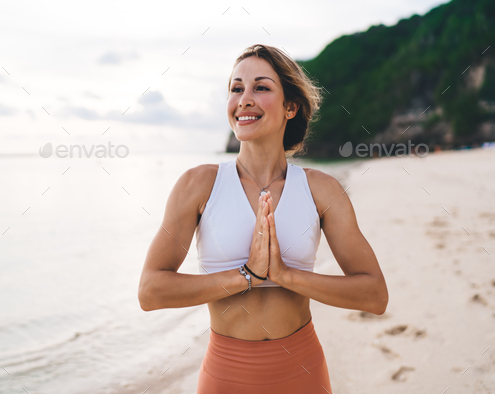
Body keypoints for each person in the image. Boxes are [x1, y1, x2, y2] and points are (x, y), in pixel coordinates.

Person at [138, 44, 388, 394]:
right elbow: (151, 292)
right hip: (226, 374)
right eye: (236, 88)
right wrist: (246, 276)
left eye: (261, 87)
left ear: (290, 107)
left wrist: (287, 275)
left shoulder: (322, 190)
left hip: (302, 371)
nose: (244, 99)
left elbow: (374, 295)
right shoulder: (198, 184)